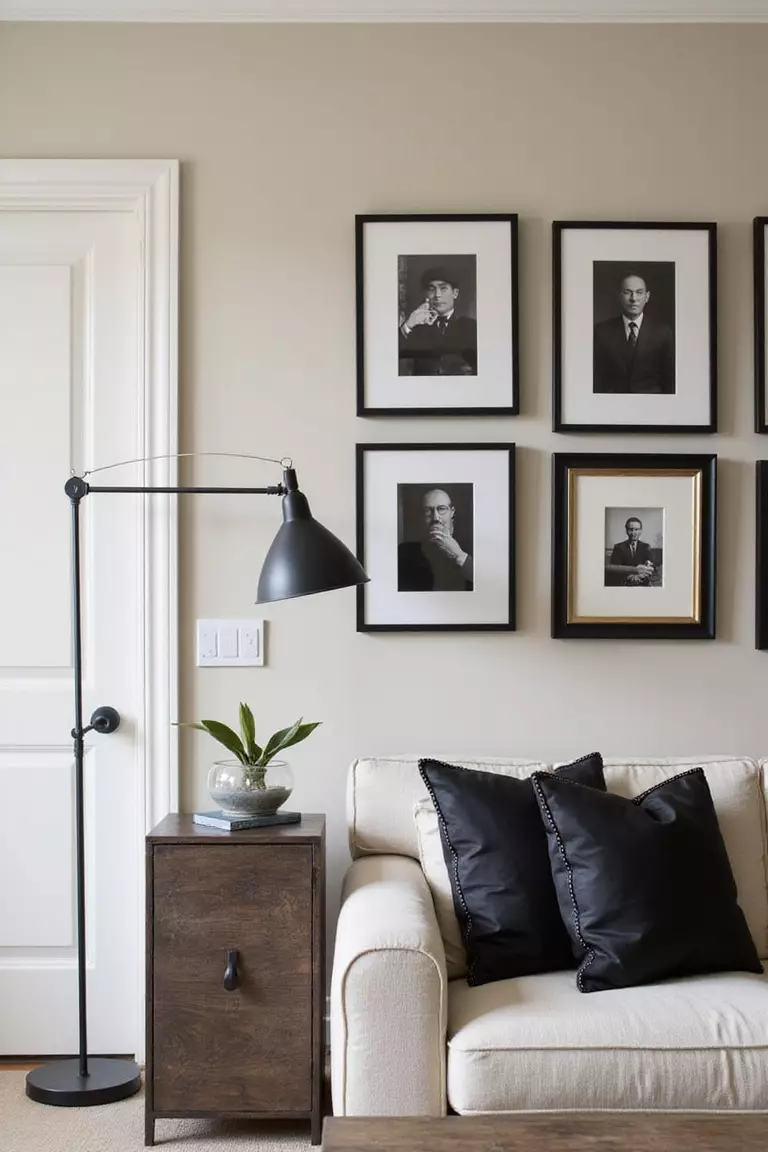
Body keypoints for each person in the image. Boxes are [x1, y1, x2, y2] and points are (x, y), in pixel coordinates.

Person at [593, 272, 675, 394]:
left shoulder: (663, 332)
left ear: (647, 297)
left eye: (639, 292)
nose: (633, 299)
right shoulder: (601, 331)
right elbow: (597, 379)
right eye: (627, 292)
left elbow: (670, 381)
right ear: (619, 296)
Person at [398, 265, 477, 377]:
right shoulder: (416, 327)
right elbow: (391, 355)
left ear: (455, 293)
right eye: (431, 289)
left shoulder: (471, 327)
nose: (437, 295)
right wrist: (408, 324)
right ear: (426, 295)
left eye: (443, 289)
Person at [398, 488, 473, 591]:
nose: (435, 518)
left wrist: (459, 556)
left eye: (441, 509)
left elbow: (486, 583)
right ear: (421, 516)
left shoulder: (472, 547)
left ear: (452, 512)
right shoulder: (403, 553)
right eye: (427, 511)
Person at [606, 517, 655, 586]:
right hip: (625, 584)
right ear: (626, 530)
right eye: (630, 529)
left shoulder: (646, 547)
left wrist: (640, 577)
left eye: (636, 529)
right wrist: (630, 578)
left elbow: (651, 568)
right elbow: (616, 569)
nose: (633, 533)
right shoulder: (618, 547)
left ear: (640, 531)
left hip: (642, 584)